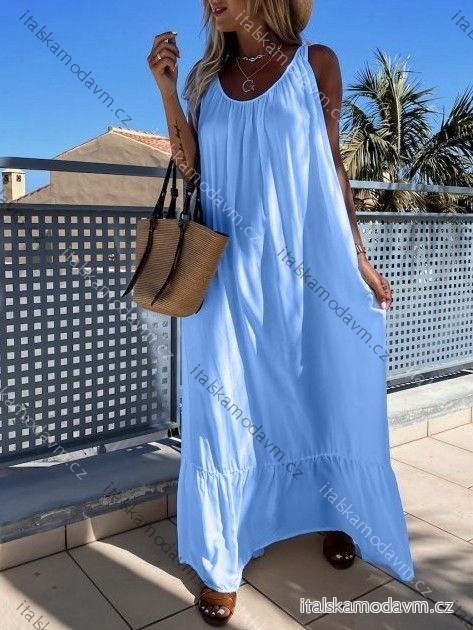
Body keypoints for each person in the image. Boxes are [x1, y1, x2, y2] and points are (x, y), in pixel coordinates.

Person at [148, 0, 414, 624]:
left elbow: (333, 165)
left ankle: (335, 510)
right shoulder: (205, 81)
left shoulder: (315, 65)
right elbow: (191, 169)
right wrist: (166, 91)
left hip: (308, 263)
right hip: (227, 271)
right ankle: (221, 556)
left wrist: (359, 256)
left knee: (322, 387)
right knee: (225, 402)